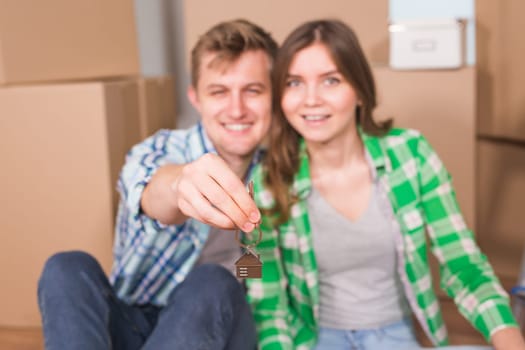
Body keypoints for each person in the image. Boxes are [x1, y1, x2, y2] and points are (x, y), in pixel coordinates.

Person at [246, 19, 525, 350]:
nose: (311, 99)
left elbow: (463, 265)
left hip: (395, 337)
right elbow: (267, 304)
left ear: (360, 92)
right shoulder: (265, 184)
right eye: (294, 83)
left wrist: (510, 340)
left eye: (330, 81)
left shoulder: (411, 155)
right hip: (316, 341)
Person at [37, 19, 277, 350]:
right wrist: (181, 184)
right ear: (195, 97)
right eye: (219, 91)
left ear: (273, 96)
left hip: (221, 324)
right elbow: (152, 188)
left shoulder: (280, 173)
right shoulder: (159, 150)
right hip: (135, 320)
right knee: (65, 268)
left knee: (212, 281)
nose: (237, 109)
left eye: (252, 90)